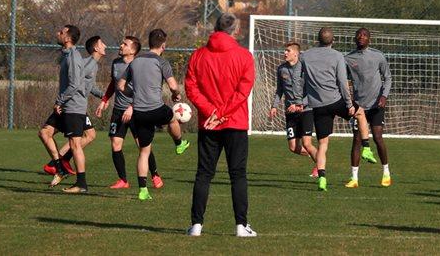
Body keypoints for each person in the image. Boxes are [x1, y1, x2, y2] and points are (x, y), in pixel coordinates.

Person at [185, 13, 257, 238]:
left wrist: (211, 112)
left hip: (209, 124)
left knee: (204, 174)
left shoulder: (198, 55)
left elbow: (191, 88)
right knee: (238, 175)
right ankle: (240, 225)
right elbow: (242, 92)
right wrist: (221, 113)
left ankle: (196, 225)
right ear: (234, 31)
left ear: (215, 28)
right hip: (234, 122)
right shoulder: (244, 56)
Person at [118, 28, 190, 201]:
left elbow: (120, 86)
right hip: (155, 108)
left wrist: (133, 95)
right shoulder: (161, 62)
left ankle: (143, 190)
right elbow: (173, 85)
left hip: (139, 113)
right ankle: (179, 144)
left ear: (149, 42)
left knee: (144, 152)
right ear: (163, 45)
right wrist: (175, 95)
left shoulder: (134, 62)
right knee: (172, 117)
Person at [95, 35, 163, 189]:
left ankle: (155, 174)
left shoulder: (140, 65)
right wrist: (105, 100)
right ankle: (123, 180)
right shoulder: (116, 63)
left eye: (124, 44)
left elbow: (145, 90)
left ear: (133, 50)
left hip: (138, 110)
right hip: (118, 110)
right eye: (121, 43)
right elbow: (114, 83)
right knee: (115, 143)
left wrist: (132, 107)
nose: (121, 45)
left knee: (142, 145)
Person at [300, 27, 361, 192]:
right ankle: (367, 147)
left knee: (322, 144)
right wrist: (349, 104)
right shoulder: (337, 56)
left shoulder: (305, 56)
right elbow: (342, 81)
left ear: (317, 40)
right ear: (332, 41)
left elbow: (301, 79)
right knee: (360, 112)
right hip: (335, 101)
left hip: (317, 105)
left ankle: (322, 177)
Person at [42, 25, 95, 185]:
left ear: (67, 37)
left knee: (76, 144)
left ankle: (81, 183)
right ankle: (60, 169)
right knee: (44, 133)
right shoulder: (66, 55)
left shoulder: (72, 56)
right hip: (66, 105)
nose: (57, 33)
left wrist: (60, 101)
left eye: (61, 32)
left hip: (72, 106)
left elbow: (74, 84)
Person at [53, 34, 106, 193]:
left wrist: (103, 95)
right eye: (102, 42)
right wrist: (63, 101)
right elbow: (77, 84)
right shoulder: (88, 64)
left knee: (90, 135)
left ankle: (62, 161)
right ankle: (63, 165)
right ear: (96, 48)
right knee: (75, 142)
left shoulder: (94, 64)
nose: (105, 45)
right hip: (75, 107)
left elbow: (88, 86)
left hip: (77, 106)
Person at [344, 28, 392, 188]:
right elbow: (343, 81)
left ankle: (386, 172)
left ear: (369, 39)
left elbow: (388, 77)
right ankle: (354, 178)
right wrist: (349, 100)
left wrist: (384, 96)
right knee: (356, 140)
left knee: (378, 138)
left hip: (377, 104)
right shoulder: (348, 58)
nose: (361, 37)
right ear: (354, 39)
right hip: (359, 107)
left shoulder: (378, 56)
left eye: (364, 35)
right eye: (358, 35)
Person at [268, 42, 318, 177]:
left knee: (307, 143)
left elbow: (312, 91)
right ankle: (319, 158)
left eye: (288, 51)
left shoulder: (304, 69)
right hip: (290, 112)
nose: (285, 53)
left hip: (306, 111)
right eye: (285, 50)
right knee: (293, 147)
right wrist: (274, 106)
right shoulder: (281, 69)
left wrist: (299, 104)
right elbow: (279, 90)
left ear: (296, 53)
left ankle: (320, 168)